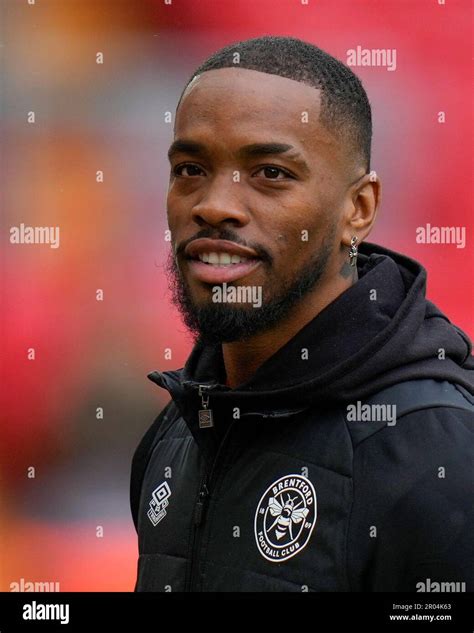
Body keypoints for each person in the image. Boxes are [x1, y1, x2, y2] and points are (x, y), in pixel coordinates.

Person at [130, 36, 473, 592]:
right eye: (190, 168)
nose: (214, 205)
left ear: (357, 209)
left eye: (270, 173)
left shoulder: (437, 451)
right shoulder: (178, 429)